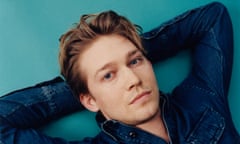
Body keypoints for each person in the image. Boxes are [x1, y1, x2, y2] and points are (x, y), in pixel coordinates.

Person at [0, 2, 239, 144]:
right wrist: (81, 85)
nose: (133, 80)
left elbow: (212, 18)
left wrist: (131, 48)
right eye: (108, 76)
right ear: (89, 99)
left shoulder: (201, 101)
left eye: (135, 62)